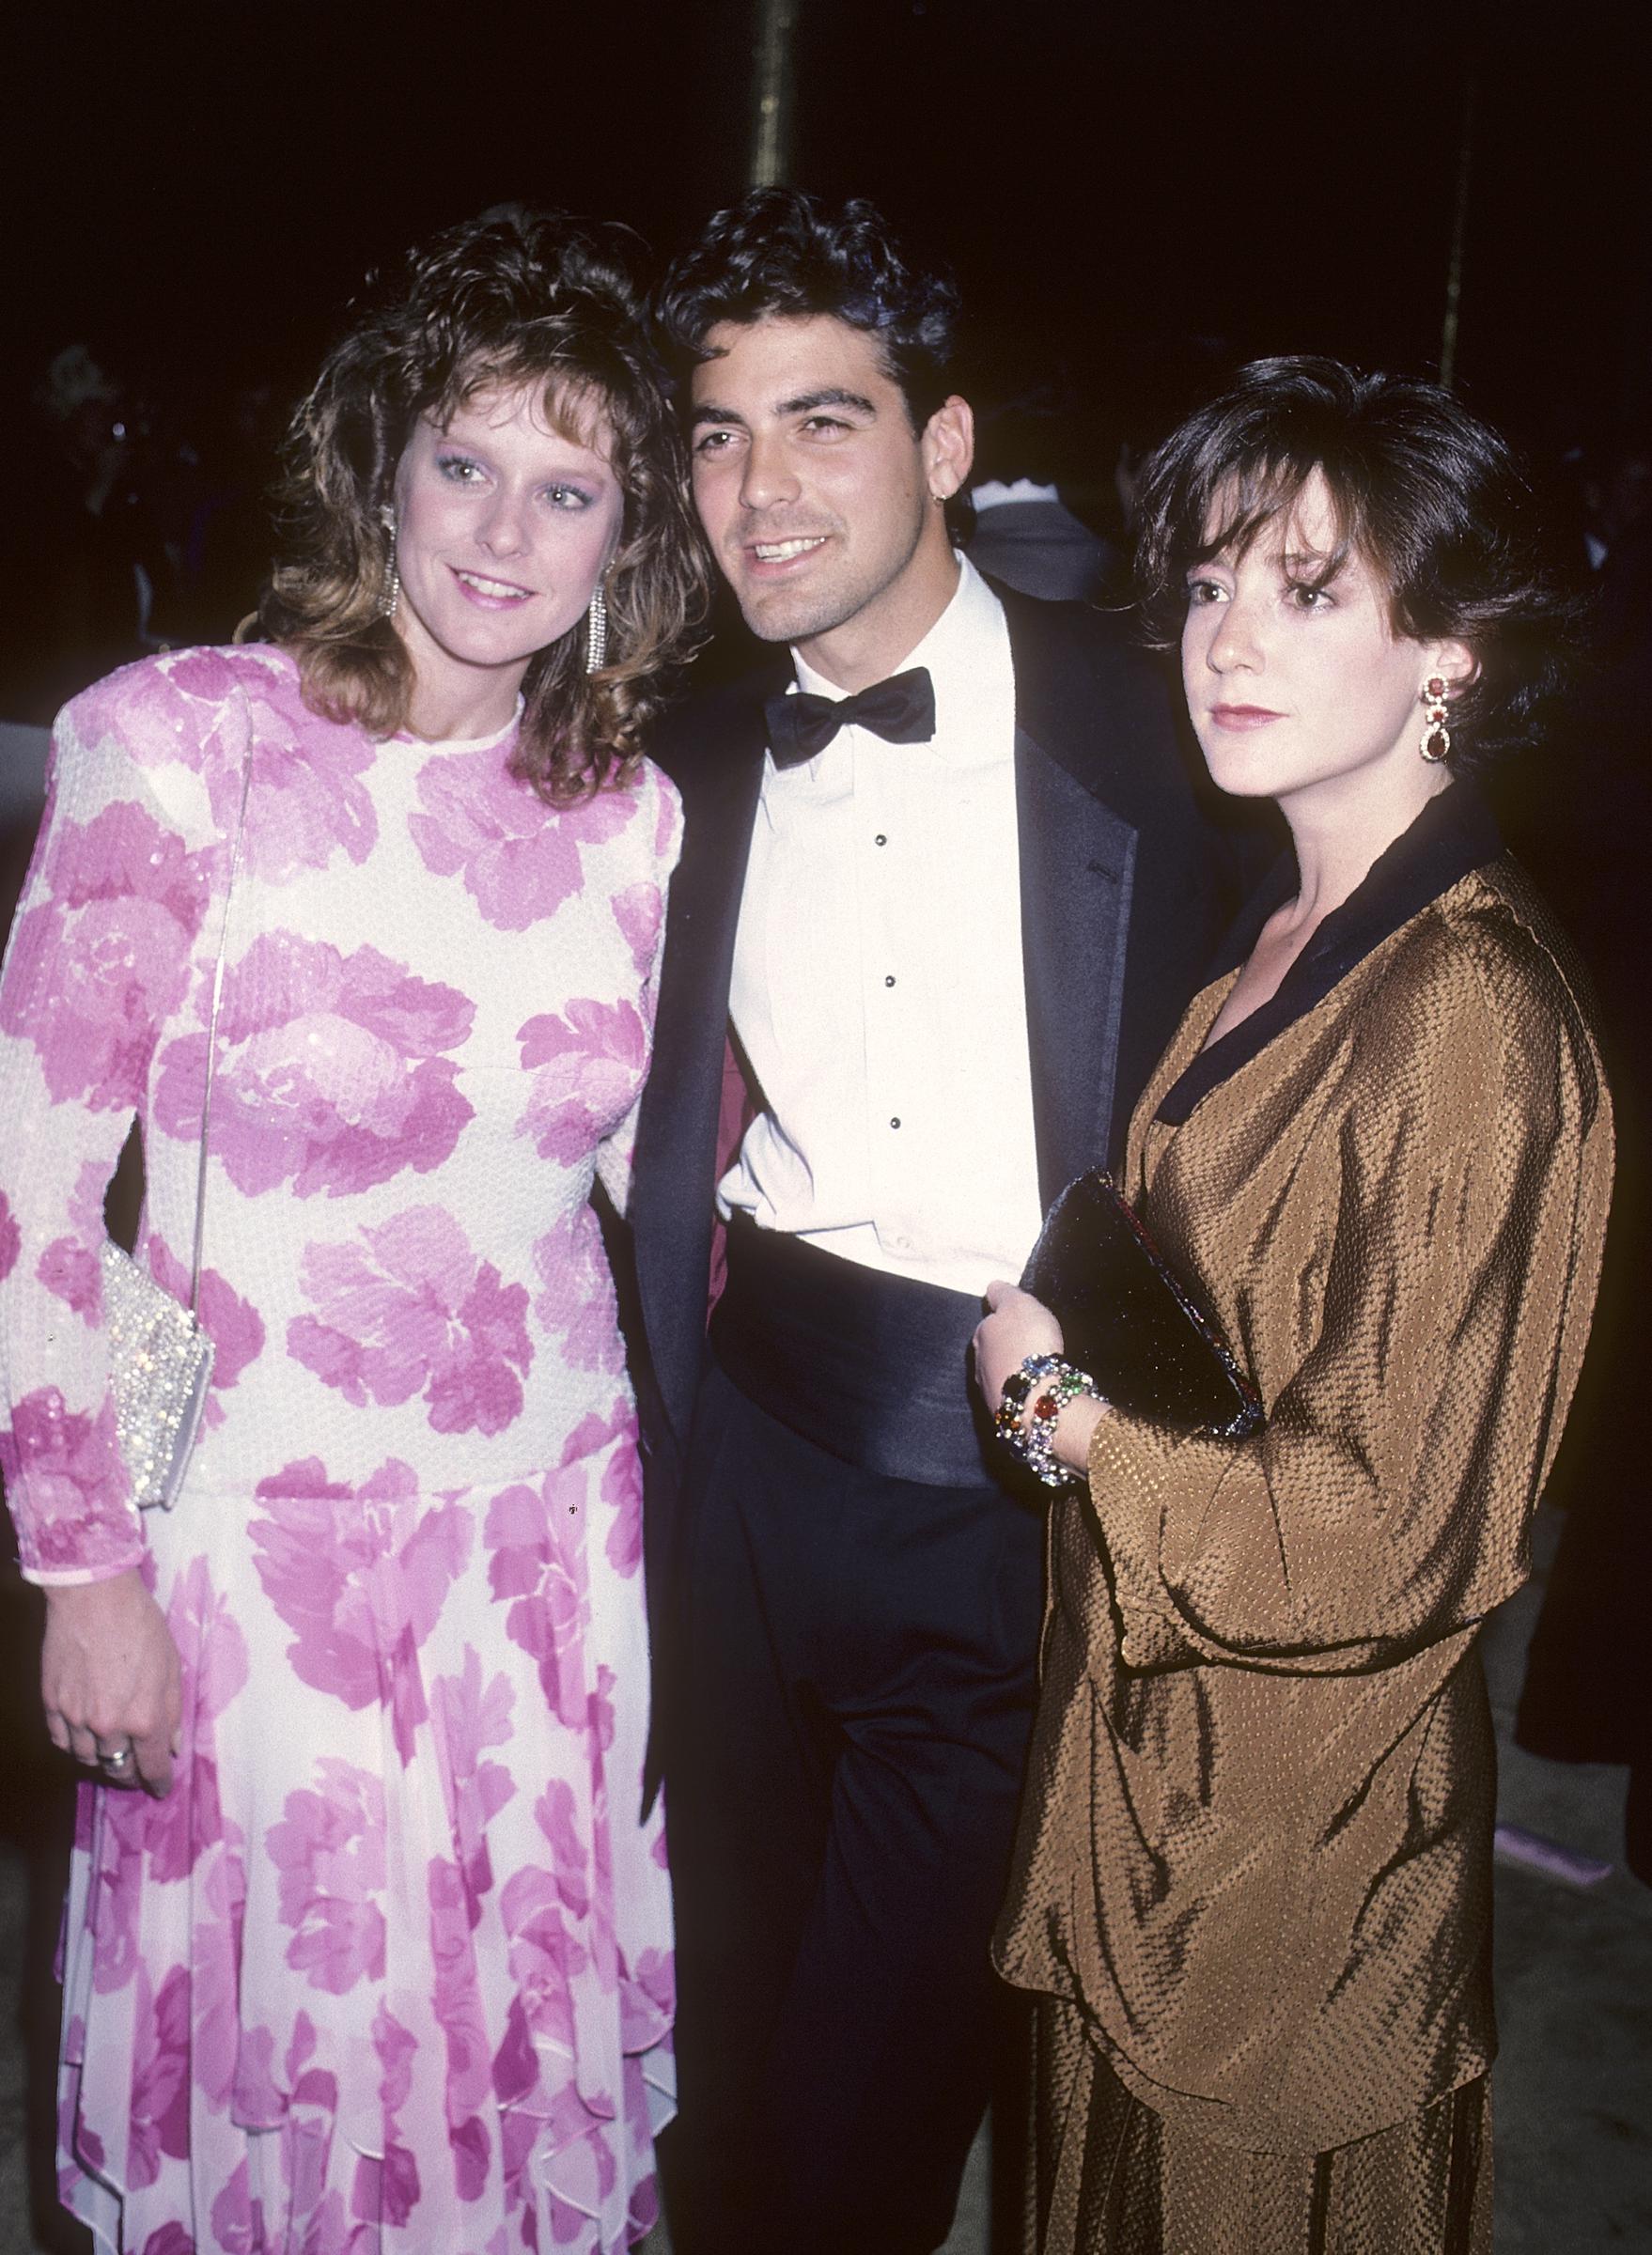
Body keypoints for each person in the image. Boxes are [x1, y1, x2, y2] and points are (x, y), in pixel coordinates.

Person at [0, 207, 706, 2253]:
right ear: (380, 460)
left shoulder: (637, 821)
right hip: (260, 1555)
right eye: (465, 462)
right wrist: (83, 1567)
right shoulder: (179, 741)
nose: (503, 532)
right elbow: (33, 1188)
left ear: (625, 535)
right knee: (302, 2096)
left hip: (556, 1556)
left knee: (504, 2086)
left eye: (567, 488)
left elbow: (662, 1205)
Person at [629, 188, 1238, 2255]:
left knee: (881, 2102)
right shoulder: (680, 755)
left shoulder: (1163, 745)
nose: (762, 490)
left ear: (948, 444)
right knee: (718, 2052)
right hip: (744, 1474)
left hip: (1026, 1494)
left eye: (824, 421)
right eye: (717, 433)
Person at [974, 357, 1613, 2254]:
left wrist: (1064, 1417)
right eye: (1205, 583)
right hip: (1161, 1786)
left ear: (1457, 649)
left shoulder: (1468, 1022)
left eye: (1307, 587)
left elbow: (1390, 1533)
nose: (1225, 639)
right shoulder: (1280, 932)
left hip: (1300, 1864)